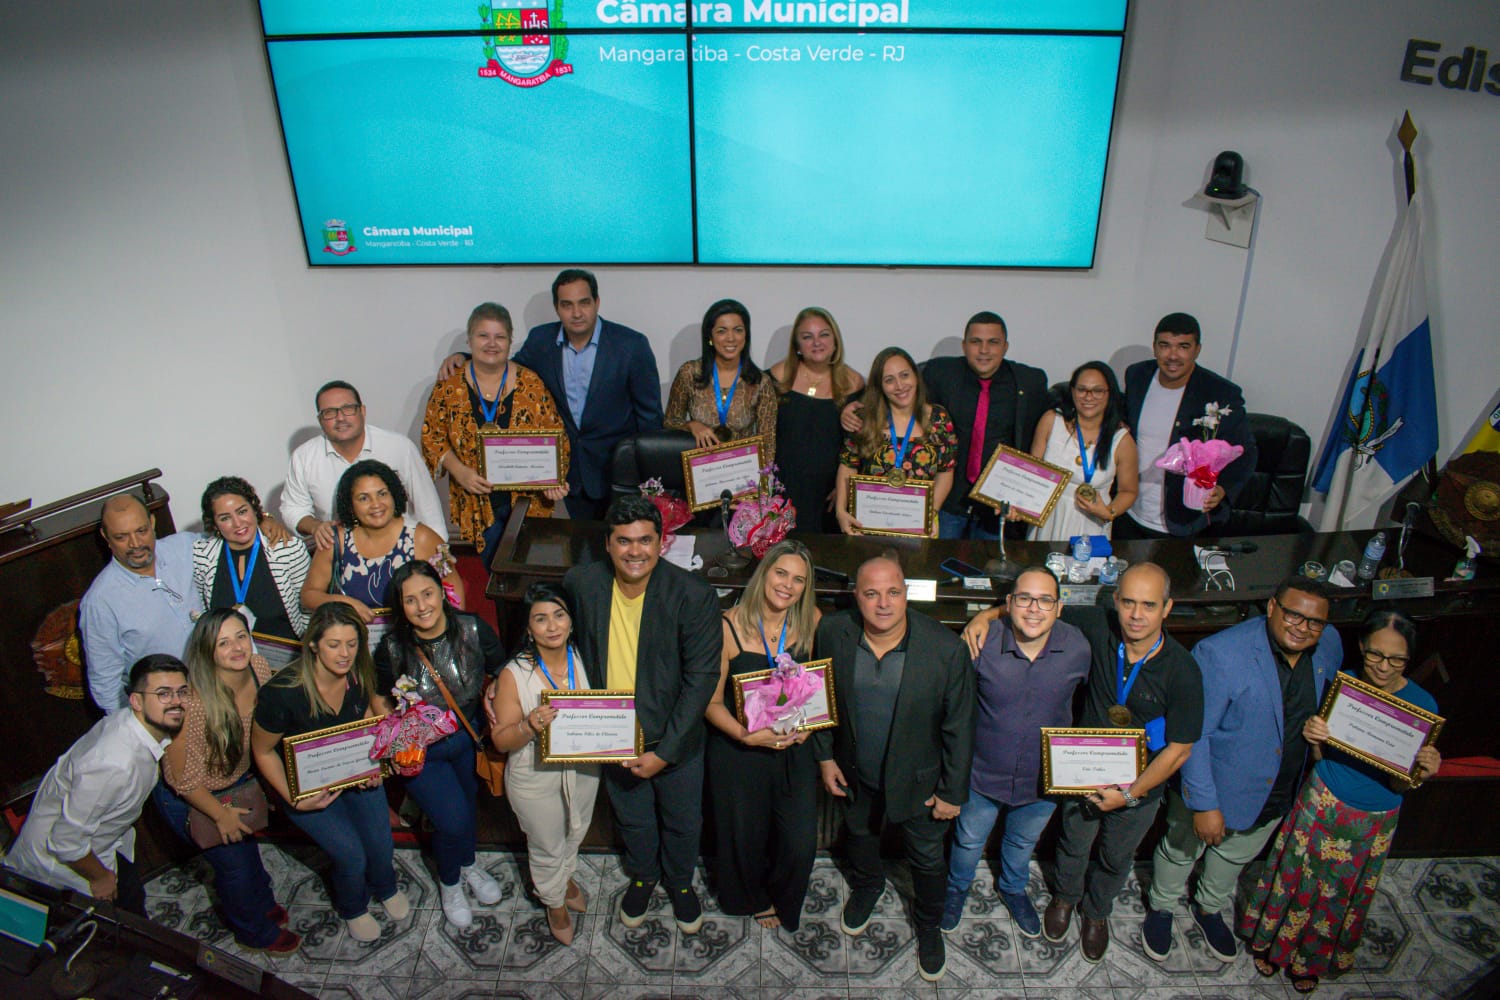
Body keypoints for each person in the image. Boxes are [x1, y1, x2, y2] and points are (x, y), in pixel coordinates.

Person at [1141, 575, 1341, 965]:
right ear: (1271, 607)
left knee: (1235, 857)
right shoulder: (1220, 653)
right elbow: (1195, 734)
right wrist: (1204, 804)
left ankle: (1208, 907)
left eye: (1314, 622)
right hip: (1212, 789)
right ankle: (1162, 907)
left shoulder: (1329, 646)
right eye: (1293, 615)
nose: (1302, 628)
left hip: (1278, 788)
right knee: (1181, 851)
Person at [1241, 609, 1441, 994]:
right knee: (1294, 879)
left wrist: (1423, 770)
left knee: (1336, 895)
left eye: (1395, 659)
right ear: (1362, 648)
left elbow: (1400, 783)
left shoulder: (1422, 706)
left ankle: (1309, 959)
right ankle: (1270, 941)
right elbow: (1322, 757)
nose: (1383, 666)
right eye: (1375, 655)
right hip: (1322, 798)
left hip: (1373, 815)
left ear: (1408, 659)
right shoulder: (1344, 686)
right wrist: (1315, 736)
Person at [562, 495, 721, 934]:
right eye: (625, 541)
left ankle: (681, 884)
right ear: (609, 545)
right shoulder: (581, 583)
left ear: (661, 542)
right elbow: (554, 642)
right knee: (633, 820)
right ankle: (644, 876)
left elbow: (701, 678)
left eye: (646, 540)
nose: (636, 551)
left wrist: (666, 752)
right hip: (612, 737)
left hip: (677, 741)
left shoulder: (692, 593)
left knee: (683, 821)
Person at [813, 553, 975, 982]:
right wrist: (825, 755)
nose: (883, 604)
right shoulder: (832, 632)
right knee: (861, 838)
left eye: (892, 592)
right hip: (854, 771)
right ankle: (868, 886)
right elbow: (821, 701)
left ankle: (928, 927)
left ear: (906, 594)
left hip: (922, 785)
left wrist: (952, 793)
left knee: (926, 861)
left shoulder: (946, 649)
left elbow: (960, 727)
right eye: (871, 593)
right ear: (856, 597)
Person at [1039, 563, 1202, 963]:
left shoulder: (1184, 670)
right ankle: (1065, 897)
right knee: (1073, 844)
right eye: (1128, 602)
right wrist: (990, 615)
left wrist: (1129, 794)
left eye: (1149, 605)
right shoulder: (1099, 626)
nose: (1136, 614)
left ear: (1167, 608)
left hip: (1139, 790)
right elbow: (1042, 607)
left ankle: (1096, 913)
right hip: (1084, 776)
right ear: (1115, 601)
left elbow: (1180, 750)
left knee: (1115, 856)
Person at [442, 269, 665, 520]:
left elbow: (650, 417)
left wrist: (651, 479)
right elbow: (509, 369)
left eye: (584, 303)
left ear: (597, 302)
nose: (577, 313)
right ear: (557, 308)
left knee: (627, 545)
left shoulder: (632, 345)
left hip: (621, 473)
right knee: (585, 549)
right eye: (567, 305)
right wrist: (466, 357)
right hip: (572, 474)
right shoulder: (541, 340)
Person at [944, 566, 1091, 939]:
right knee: (968, 841)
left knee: (1022, 842)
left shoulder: (1078, 648)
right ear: (1008, 604)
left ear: (1059, 607)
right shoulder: (982, 643)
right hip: (981, 773)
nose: (1033, 608)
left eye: (1045, 600)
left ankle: (1012, 887)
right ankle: (955, 889)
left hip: (1042, 780)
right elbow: (954, 709)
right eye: (1024, 598)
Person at [250, 603, 407, 942]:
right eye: (334, 644)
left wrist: (374, 759)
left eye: (352, 644)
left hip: (355, 774)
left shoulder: (359, 672)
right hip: (306, 787)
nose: (344, 653)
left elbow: (365, 714)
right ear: (313, 645)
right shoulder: (282, 692)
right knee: (350, 854)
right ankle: (353, 906)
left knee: (381, 842)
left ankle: (386, 886)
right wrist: (294, 799)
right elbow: (262, 751)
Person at [153, 610, 299, 953]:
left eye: (241, 636)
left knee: (248, 854)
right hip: (192, 796)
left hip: (237, 783)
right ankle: (254, 933)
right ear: (207, 652)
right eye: (223, 642)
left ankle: (261, 904)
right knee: (234, 869)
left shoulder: (260, 669)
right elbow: (183, 780)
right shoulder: (191, 703)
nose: (237, 648)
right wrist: (220, 815)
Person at [372, 561, 505, 929]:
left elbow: (503, 666)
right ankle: (450, 884)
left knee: (466, 810)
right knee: (451, 820)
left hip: (466, 735)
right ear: (401, 607)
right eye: (410, 600)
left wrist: (494, 687)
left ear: (441, 592)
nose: (421, 606)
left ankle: (469, 865)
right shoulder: (393, 646)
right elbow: (382, 698)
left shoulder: (473, 628)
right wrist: (394, 742)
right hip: (422, 751)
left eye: (427, 594)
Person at [4, 654, 188, 915]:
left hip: (103, 844)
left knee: (131, 896)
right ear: (136, 700)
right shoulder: (114, 764)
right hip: (62, 869)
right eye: (163, 693)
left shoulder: (134, 725)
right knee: (116, 931)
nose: (177, 702)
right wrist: (100, 877)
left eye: (182, 692)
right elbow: (65, 842)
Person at [840, 312, 1049, 540]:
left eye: (993, 342)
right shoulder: (941, 373)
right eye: (976, 342)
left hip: (994, 504)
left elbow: (1062, 408)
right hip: (949, 505)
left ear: (1006, 347)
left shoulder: (1029, 381)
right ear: (964, 345)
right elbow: (883, 389)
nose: (984, 350)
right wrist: (848, 407)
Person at [704, 540, 822, 931]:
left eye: (798, 580)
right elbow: (709, 703)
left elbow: (820, 689)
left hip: (794, 749)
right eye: (781, 573)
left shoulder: (811, 622)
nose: (787, 585)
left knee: (800, 840)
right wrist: (745, 736)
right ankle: (750, 898)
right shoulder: (727, 625)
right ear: (764, 573)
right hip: (741, 750)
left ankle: (784, 899)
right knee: (744, 835)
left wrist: (809, 726)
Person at [489, 582, 600, 945]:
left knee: (575, 831)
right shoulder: (514, 674)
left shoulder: (586, 656)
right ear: (527, 627)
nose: (552, 626)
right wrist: (528, 724)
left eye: (559, 615)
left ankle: (563, 878)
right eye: (541, 618)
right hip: (534, 776)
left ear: (571, 619)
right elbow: (502, 739)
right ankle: (554, 903)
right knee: (546, 845)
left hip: (583, 769)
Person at [421, 302, 570, 555]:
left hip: (527, 502)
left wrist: (553, 479)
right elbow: (432, 438)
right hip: (476, 499)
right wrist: (459, 471)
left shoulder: (531, 384)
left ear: (510, 341)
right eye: (483, 336)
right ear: (469, 341)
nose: (492, 344)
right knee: (491, 570)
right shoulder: (449, 386)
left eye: (500, 337)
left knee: (525, 569)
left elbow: (557, 438)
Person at [1118, 312, 1256, 539]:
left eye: (1183, 346)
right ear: (1155, 347)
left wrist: (1222, 490)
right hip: (1132, 511)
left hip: (1187, 521)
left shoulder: (1219, 392)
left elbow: (1246, 452)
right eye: (1165, 346)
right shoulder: (1137, 375)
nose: (1173, 355)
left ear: (1197, 349)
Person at [281, 379, 449, 550]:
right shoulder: (304, 457)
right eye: (330, 412)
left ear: (362, 411)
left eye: (348, 409)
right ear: (320, 420)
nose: (340, 418)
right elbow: (293, 508)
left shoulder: (399, 447)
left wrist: (440, 557)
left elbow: (428, 509)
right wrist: (316, 526)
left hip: (403, 547)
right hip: (342, 551)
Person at [80, 495, 203, 713]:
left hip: (224, 686)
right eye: (121, 537)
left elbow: (235, 544)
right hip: (172, 710)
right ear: (105, 537)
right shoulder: (100, 601)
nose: (135, 544)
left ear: (152, 522)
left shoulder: (185, 546)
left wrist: (264, 521)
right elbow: (106, 685)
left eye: (141, 531)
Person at [301, 459, 462, 622]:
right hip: (352, 642)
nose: (376, 504)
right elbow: (309, 595)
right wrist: (344, 603)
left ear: (394, 495)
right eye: (364, 498)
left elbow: (454, 594)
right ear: (350, 505)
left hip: (411, 640)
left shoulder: (423, 538)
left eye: (382, 494)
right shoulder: (335, 540)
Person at [835, 347, 957, 538]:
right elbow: (847, 465)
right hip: (869, 527)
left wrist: (929, 514)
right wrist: (840, 511)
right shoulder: (864, 418)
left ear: (916, 377)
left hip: (919, 528)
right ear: (880, 386)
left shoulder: (938, 419)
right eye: (889, 380)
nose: (900, 386)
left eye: (905, 375)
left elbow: (946, 471)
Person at [767, 308, 865, 532]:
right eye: (807, 337)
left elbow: (859, 444)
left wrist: (845, 488)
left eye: (824, 334)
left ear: (835, 340)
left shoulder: (854, 383)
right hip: (780, 489)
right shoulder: (776, 377)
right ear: (797, 346)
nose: (817, 342)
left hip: (829, 495)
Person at [191, 477, 310, 645]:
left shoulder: (288, 549)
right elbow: (206, 617)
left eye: (242, 511)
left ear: (254, 509)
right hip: (233, 657)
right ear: (215, 523)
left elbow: (308, 611)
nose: (238, 523)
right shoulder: (202, 555)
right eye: (225, 518)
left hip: (285, 655)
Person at [1029, 362, 1138, 542]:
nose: (1088, 397)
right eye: (1082, 389)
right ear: (1072, 391)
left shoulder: (1122, 440)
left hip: (1092, 523)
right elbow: (1030, 474)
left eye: (1097, 391)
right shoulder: (1051, 420)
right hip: (1048, 517)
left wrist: (1109, 512)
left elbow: (1129, 490)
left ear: (1109, 394)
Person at [664, 298, 779, 466]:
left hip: (742, 474)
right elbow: (670, 421)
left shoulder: (760, 382)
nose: (731, 338)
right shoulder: (690, 373)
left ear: (746, 335)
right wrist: (692, 425)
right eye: (722, 331)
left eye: (738, 330)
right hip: (700, 472)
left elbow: (767, 442)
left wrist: (762, 485)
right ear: (710, 336)